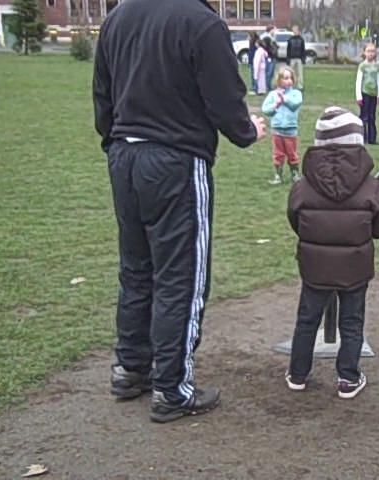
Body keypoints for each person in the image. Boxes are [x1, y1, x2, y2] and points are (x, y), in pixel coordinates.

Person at [93, 0, 267, 423]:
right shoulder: (200, 22)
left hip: (125, 155)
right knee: (181, 275)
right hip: (174, 160)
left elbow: (103, 93)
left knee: (136, 268)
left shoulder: (119, 15)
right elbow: (225, 98)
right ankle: (172, 387)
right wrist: (248, 131)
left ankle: (131, 367)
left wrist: (117, 139)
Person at [286, 107, 379, 399]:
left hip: (314, 268)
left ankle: (297, 373)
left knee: (307, 320)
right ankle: (348, 376)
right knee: (352, 320)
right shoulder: (374, 189)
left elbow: (295, 220)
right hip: (355, 268)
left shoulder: (301, 187)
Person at [261, 66, 303, 184]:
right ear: (279, 80)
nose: (289, 81)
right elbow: (265, 109)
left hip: (290, 130)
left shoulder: (296, 94)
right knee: (278, 153)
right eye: (285, 78)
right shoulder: (273, 95)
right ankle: (278, 175)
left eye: (290, 78)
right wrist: (276, 105)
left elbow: (296, 104)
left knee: (292, 153)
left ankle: (294, 174)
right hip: (277, 130)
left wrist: (285, 100)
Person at [355, 43, 379, 145]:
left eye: (373, 51)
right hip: (365, 94)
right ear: (364, 53)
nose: (371, 53)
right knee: (364, 116)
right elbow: (359, 82)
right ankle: (363, 138)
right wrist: (359, 96)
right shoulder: (362, 66)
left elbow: (378, 81)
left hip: (373, 95)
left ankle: (372, 139)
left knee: (372, 116)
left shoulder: (376, 66)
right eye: (368, 51)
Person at [287, 25, 305, 90]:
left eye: (296, 30)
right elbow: (288, 50)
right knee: (291, 72)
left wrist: (303, 59)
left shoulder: (301, 40)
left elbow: (303, 49)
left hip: (299, 58)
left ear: (298, 31)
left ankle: (300, 85)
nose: (295, 32)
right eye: (293, 30)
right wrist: (288, 59)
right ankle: (290, 84)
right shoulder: (290, 39)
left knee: (300, 73)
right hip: (292, 58)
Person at [261, 25, 278, 91]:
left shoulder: (270, 37)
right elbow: (268, 47)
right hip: (269, 57)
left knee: (270, 72)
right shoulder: (267, 37)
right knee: (269, 72)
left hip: (271, 56)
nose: (275, 31)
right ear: (271, 30)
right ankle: (267, 86)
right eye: (274, 29)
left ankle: (268, 85)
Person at [248, 31, 259, 95]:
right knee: (252, 75)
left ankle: (255, 88)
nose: (248, 37)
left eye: (249, 36)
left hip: (255, 61)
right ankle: (253, 86)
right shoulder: (251, 42)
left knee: (255, 75)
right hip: (251, 61)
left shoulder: (255, 42)